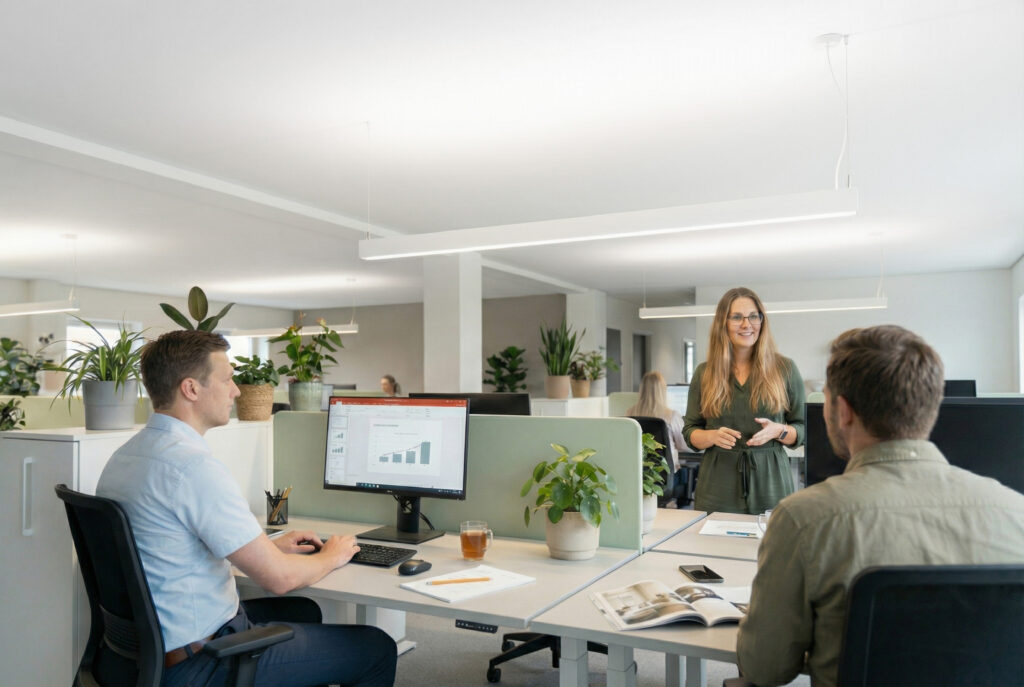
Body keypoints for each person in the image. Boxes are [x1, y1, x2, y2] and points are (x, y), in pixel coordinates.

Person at [96, 330, 397, 687]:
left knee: (303, 610)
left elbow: (168, 550)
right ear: (191, 389)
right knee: (377, 648)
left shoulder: (125, 457)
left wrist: (265, 546)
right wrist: (332, 554)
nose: (236, 391)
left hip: (140, 654)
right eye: (227, 379)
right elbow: (279, 579)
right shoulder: (192, 468)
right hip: (199, 663)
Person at [736, 325, 1024, 687]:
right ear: (930, 408)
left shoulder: (803, 520)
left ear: (843, 411)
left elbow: (765, 668)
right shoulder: (1017, 514)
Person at [683, 287, 805, 514]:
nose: (746, 324)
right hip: (718, 485)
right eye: (737, 317)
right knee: (713, 537)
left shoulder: (785, 369)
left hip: (771, 483)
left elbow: (803, 429)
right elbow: (690, 432)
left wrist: (778, 431)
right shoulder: (705, 373)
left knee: (772, 537)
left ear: (762, 321)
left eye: (753, 316)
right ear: (723, 323)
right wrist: (712, 436)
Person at [627, 370, 686, 472]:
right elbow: (684, 445)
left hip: (640, 473)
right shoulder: (672, 416)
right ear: (663, 390)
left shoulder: (630, 413)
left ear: (642, 390)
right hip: (665, 473)